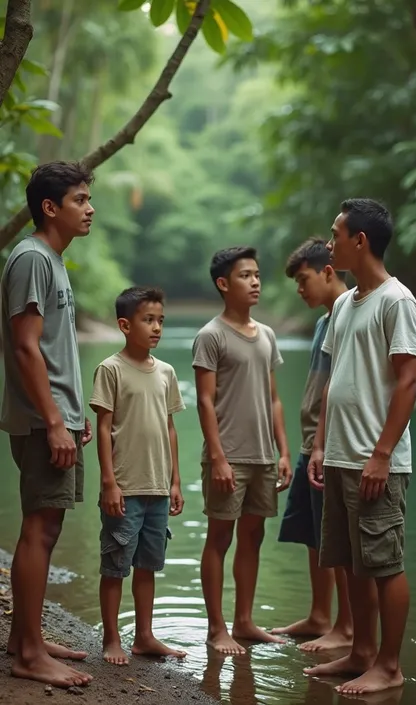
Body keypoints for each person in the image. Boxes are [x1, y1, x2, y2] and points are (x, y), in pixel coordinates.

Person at [305, 199, 416, 694]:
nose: (329, 243)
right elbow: (335, 380)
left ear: (361, 241)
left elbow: (409, 381)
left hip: (378, 460)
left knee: (384, 562)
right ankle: (361, 653)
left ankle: (390, 668)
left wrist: (380, 454)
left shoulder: (397, 301)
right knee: (351, 559)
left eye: (336, 234)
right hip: (338, 455)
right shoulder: (341, 304)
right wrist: (319, 445)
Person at [0, 161, 95, 688]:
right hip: (42, 420)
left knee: (48, 525)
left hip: (56, 415)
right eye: (80, 199)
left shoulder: (51, 260)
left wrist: (72, 415)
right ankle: (30, 654)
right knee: (39, 527)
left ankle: (25, 637)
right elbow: (24, 345)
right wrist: (55, 420)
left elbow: (53, 349)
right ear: (50, 207)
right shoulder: (32, 258)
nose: (90, 208)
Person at [192, 246, 292, 656]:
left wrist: (284, 452)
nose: (255, 282)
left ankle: (244, 622)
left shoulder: (266, 335)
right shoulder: (211, 335)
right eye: (245, 275)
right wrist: (217, 457)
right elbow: (203, 400)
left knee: (253, 537)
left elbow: (273, 400)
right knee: (220, 537)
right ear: (223, 283)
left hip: (264, 458)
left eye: (256, 275)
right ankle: (217, 629)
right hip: (228, 456)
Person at [89, 286, 187, 666]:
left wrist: (175, 481)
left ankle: (145, 637)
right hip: (124, 488)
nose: (157, 327)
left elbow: (170, 427)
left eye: (161, 320)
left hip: (158, 487)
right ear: (125, 325)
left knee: (148, 565)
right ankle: (111, 639)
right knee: (115, 566)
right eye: (149, 320)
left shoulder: (166, 372)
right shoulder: (110, 369)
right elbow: (103, 428)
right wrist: (109, 482)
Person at [271, 238, 353, 652]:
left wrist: (323, 443)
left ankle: (346, 626)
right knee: (314, 534)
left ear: (327, 271)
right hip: (310, 444)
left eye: (304, 280)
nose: (300, 290)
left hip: (331, 444)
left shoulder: (349, 314)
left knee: (335, 538)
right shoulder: (325, 320)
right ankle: (321, 614)